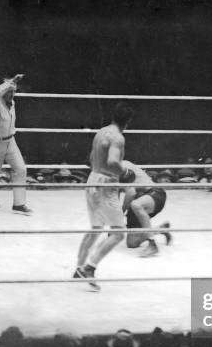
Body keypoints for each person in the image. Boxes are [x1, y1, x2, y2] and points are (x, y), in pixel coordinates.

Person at [73, 103, 136, 290]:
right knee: (119, 232)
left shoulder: (101, 132)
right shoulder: (118, 138)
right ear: (128, 122)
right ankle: (89, 267)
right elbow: (113, 161)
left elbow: (91, 159)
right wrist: (125, 173)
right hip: (106, 184)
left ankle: (79, 266)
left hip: (92, 179)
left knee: (96, 227)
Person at [0, 74, 31, 214]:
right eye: (8, 91)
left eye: (13, 91)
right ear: (2, 90)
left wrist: (12, 85)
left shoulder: (13, 104)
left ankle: (19, 204)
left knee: (21, 169)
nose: (11, 94)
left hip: (10, 141)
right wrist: (10, 83)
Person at [121, 160, 171, 257]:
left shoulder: (121, 166)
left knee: (136, 204)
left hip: (154, 193)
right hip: (139, 198)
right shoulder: (108, 174)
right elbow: (115, 197)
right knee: (132, 243)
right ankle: (161, 229)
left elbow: (131, 193)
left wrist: (121, 213)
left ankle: (152, 244)